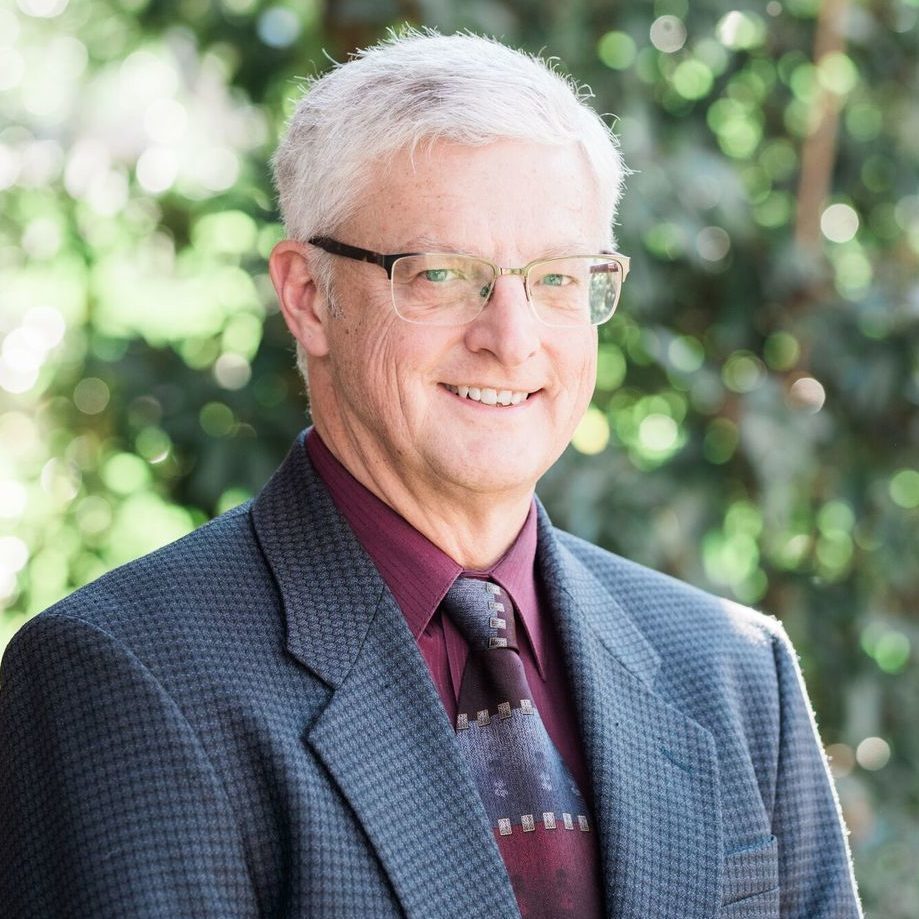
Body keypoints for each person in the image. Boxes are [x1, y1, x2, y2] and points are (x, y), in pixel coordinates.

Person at [0, 30, 861, 919]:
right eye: (443, 274)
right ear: (307, 296)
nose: (512, 339)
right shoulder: (123, 676)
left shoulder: (733, 671)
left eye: (558, 279)